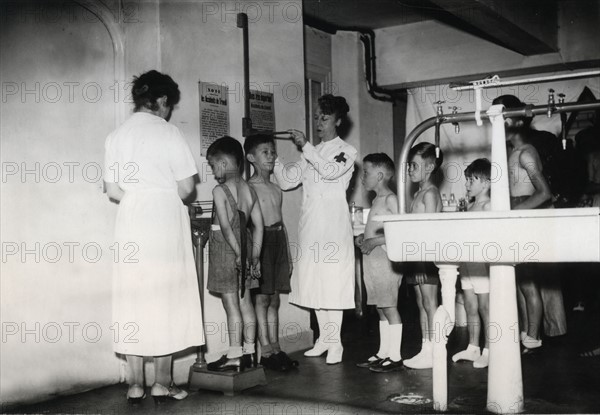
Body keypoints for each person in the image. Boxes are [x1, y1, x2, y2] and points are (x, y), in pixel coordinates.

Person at [103, 70, 204, 403]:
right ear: (162, 101)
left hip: (131, 218)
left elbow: (113, 190)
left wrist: (138, 195)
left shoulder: (116, 135)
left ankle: (135, 383)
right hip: (164, 217)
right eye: (169, 104)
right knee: (166, 295)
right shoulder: (169, 132)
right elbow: (187, 187)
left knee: (135, 294)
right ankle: (163, 382)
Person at [273, 94, 357, 365]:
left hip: (333, 225)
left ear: (338, 121)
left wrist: (306, 147)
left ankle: (336, 343)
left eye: (325, 118)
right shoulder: (310, 153)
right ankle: (323, 339)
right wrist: (273, 158)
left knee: (332, 282)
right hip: (311, 225)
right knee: (314, 282)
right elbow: (287, 182)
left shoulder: (347, 150)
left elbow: (331, 171)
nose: (319, 123)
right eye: (317, 117)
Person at [493, 94, 567, 354]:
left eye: (500, 120)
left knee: (529, 282)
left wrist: (515, 211)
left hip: (526, 216)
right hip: (519, 217)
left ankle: (533, 338)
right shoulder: (513, 152)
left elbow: (544, 192)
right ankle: (526, 334)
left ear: (513, 121)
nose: (496, 126)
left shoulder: (526, 152)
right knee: (522, 281)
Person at [206, 136, 264, 371]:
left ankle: (234, 354)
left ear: (221, 163)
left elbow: (227, 227)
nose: (213, 172)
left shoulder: (220, 190)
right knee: (246, 303)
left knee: (231, 305)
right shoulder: (250, 189)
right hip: (248, 248)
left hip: (227, 249)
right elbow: (258, 226)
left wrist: (239, 253)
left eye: (212, 166)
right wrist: (254, 255)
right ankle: (250, 352)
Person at [243, 134, 297, 371]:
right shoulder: (248, 188)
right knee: (262, 299)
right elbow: (247, 225)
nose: (271, 156)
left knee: (274, 299)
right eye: (265, 152)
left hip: (277, 242)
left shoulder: (276, 188)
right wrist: (251, 257)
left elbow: (281, 223)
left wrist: (288, 255)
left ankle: (276, 348)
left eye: (273, 151)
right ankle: (264, 352)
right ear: (251, 157)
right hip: (259, 242)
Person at [355, 153, 404, 373]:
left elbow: (402, 232)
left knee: (390, 307)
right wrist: (364, 239)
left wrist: (374, 241)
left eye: (366, 172)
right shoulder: (376, 200)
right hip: (372, 261)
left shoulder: (391, 199)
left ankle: (396, 356)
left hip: (386, 260)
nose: (362, 177)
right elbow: (375, 229)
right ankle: (383, 352)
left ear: (380, 175)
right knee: (381, 308)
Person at [403, 142, 443, 370]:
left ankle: (435, 350)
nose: (409, 169)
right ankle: (425, 347)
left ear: (429, 167)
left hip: (425, 258)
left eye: (414, 165)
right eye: (409, 165)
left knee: (429, 303)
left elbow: (428, 232)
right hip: (416, 257)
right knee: (421, 303)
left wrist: (420, 264)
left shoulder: (430, 194)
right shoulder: (419, 192)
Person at [452, 158, 491, 369]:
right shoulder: (472, 205)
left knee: (485, 307)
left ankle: (489, 349)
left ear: (486, 183)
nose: (467, 185)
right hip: (468, 262)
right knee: (470, 305)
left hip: (481, 263)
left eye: (471, 180)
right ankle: (473, 346)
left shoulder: (488, 206)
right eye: (467, 180)